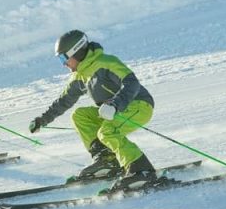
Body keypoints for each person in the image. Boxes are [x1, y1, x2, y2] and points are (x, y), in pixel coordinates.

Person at [28, 29, 159, 189]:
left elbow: (132, 83)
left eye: (64, 58)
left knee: (108, 132)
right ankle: (107, 160)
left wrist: (115, 105)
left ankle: (142, 171)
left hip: (138, 105)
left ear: (76, 51)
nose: (63, 63)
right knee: (80, 115)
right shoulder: (80, 76)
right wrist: (42, 120)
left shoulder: (106, 62)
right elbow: (64, 101)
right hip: (113, 111)